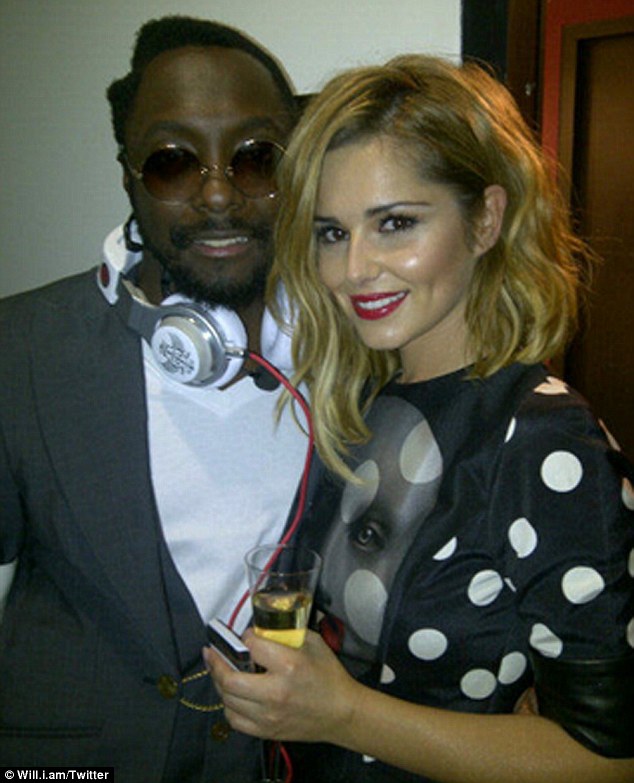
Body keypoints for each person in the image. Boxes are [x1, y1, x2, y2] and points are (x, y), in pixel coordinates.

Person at [206, 55, 634, 782]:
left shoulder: (544, 439)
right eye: (332, 233)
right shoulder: (363, 403)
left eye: (395, 223)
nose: (353, 269)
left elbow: (609, 756)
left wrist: (343, 713)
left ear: (486, 219)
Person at [0, 15, 307, 783]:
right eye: (173, 163)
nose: (218, 193)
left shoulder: (356, 347)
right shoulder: (18, 347)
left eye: (256, 157)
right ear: (130, 176)